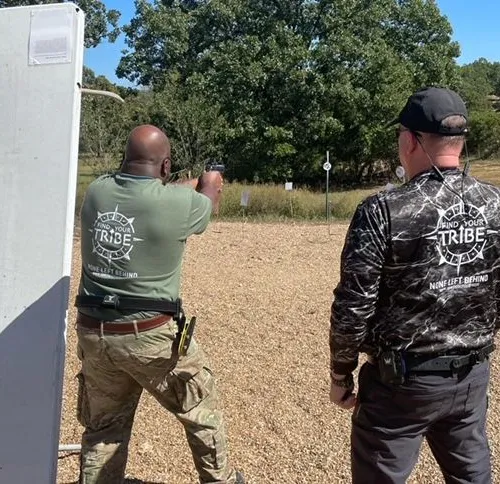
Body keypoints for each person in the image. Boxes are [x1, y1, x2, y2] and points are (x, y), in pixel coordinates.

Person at [329, 86, 500, 483]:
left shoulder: (383, 211)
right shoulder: (495, 204)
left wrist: (341, 374)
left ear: (410, 140)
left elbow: (354, 305)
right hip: (472, 376)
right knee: (472, 476)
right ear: (458, 142)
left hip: (400, 384)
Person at [74, 124, 244, 484]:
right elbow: (207, 201)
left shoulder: (98, 192)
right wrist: (211, 178)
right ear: (166, 168)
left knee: (104, 429)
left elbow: (148, 192)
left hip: (95, 332)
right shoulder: (180, 204)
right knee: (201, 409)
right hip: (150, 335)